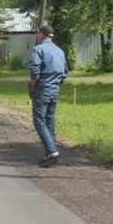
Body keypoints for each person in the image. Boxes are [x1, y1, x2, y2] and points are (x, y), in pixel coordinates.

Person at [28, 23, 69, 166]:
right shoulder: (60, 51)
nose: (37, 36)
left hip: (42, 89)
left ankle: (52, 152)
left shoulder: (38, 49)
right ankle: (50, 152)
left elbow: (35, 71)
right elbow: (65, 73)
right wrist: (56, 84)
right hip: (55, 89)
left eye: (38, 34)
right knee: (49, 120)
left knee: (39, 121)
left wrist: (33, 87)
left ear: (42, 34)